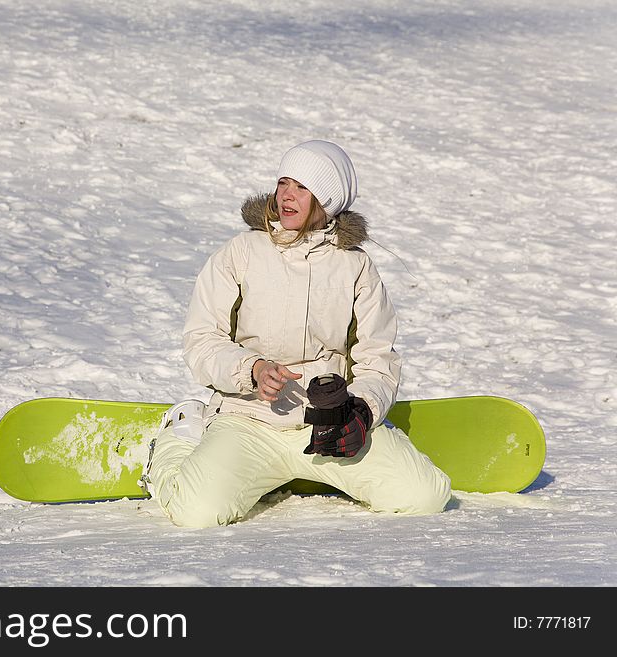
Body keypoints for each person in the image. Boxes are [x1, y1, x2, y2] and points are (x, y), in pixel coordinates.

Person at [140, 139, 452, 527]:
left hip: (326, 423)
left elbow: (377, 358)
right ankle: (179, 435)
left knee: (424, 496)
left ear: (327, 201)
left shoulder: (356, 267)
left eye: (302, 188)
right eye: (283, 182)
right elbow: (202, 338)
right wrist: (250, 369)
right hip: (249, 418)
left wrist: (362, 410)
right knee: (197, 512)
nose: (287, 196)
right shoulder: (241, 252)